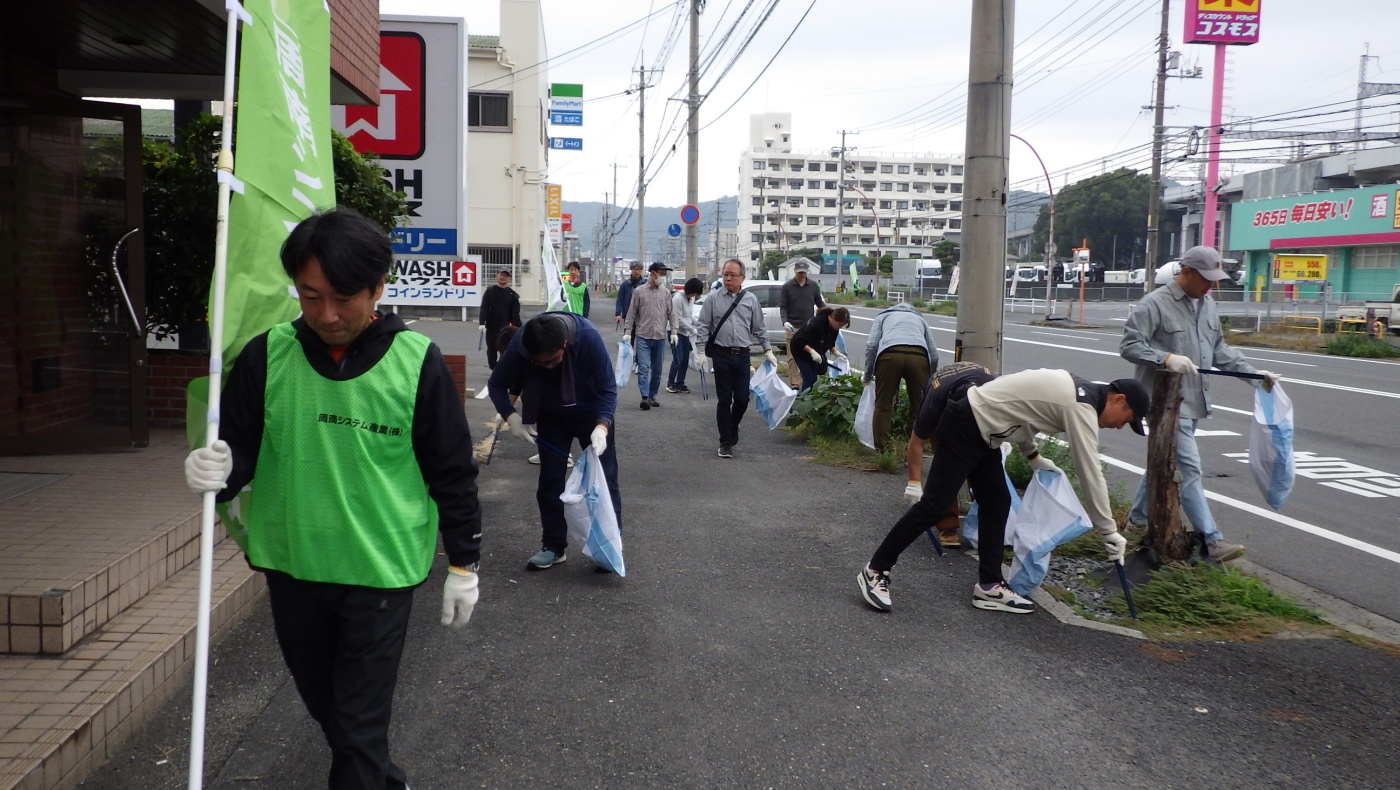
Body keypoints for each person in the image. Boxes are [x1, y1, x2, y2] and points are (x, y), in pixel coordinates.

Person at [182, 207, 481, 790]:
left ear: (378, 288)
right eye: (310, 296)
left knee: (357, 724)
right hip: (292, 562)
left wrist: (464, 563)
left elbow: (452, 471)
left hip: (380, 569)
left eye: (344, 297)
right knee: (331, 712)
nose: (327, 314)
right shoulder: (268, 355)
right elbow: (240, 447)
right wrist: (216, 467)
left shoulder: (416, 363)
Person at [858, 368, 1148, 615]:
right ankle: (875, 570)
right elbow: (1089, 471)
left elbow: (1022, 411)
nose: (1121, 426)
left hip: (985, 432)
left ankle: (989, 585)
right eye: (1126, 418)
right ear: (1118, 399)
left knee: (998, 501)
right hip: (966, 423)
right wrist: (1108, 530)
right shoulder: (1080, 405)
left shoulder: (1077, 389)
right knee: (934, 505)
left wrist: (1033, 456)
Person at [1120, 245, 1281, 562]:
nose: (1211, 285)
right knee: (1190, 469)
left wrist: (1255, 375)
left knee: (1163, 462)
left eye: (1215, 280)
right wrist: (1165, 358)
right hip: (1164, 405)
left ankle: (1136, 523)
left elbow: (1221, 351)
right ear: (1187, 272)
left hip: (1194, 402)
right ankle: (1212, 540)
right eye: (1206, 278)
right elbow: (1129, 345)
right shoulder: (1154, 304)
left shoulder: (1206, 306)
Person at [488, 311, 619, 570]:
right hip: (550, 414)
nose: (548, 367)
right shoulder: (521, 345)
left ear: (565, 345)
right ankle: (553, 546)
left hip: (590, 411)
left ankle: (609, 548)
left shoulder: (588, 338)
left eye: (553, 361)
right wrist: (510, 415)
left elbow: (608, 387)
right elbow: (496, 384)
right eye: (541, 363)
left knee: (604, 480)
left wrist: (602, 425)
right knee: (550, 481)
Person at [901, 361, 996, 547]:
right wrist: (913, 483)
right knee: (947, 468)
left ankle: (983, 521)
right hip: (945, 407)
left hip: (981, 415)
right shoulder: (935, 400)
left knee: (982, 461)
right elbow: (917, 442)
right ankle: (948, 525)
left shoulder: (991, 388)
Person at [694, 259, 777, 459]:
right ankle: (725, 442)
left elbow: (758, 327)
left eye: (732, 275)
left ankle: (733, 425)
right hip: (721, 354)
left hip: (742, 355)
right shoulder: (713, 298)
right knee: (724, 399)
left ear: (742, 277)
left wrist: (767, 350)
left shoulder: (750, 300)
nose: (728, 278)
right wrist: (700, 352)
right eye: (725, 275)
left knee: (742, 398)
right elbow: (704, 326)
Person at [863, 302, 940, 449]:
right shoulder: (920, 319)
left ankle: (883, 450)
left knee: (883, 404)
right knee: (919, 406)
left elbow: (872, 346)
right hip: (919, 357)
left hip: (889, 355)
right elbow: (934, 355)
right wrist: (929, 377)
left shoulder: (883, 317)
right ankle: (914, 448)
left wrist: (867, 375)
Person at [623, 262, 679, 410]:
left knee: (658, 370)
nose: (663, 277)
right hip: (643, 336)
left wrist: (674, 332)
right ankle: (644, 396)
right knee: (643, 367)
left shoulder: (666, 293)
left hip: (660, 337)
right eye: (661, 273)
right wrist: (628, 332)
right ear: (653, 273)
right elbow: (631, 313)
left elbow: (672, 313)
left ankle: (652, 394)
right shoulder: (639, 292)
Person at [780, 259, 826, 388]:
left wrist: (828, 314)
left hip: (808, 329)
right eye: (800, 272)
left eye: (804, 272)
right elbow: (783, 307)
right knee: (792, 357)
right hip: (792, 327)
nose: (802, 275)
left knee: (809, 355)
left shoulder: (813, 286)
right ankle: (795, 385)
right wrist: (785, 321)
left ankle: (809, 383)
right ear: (795, 271)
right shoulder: (787, 287)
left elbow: (819, 303)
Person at [789, 306, 851, 392]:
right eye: (840, 324)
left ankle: (810, 399)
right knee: (809, 378)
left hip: (815, 353)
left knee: (814, 379)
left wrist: (836, 352)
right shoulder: (816, 323)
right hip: (800, 351)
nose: (840, 327)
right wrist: (812, 351)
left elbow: (830, 342)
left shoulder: (834, 328)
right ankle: (802, 401)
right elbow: (799, 341)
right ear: (833, 318)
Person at [478, 267, 521, 370]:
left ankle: (501, 369)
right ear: (497, 276)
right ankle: (493, 367)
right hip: (492, 326)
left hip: (506, 328)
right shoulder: (490, 291)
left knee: (505, 349)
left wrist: (518, 327)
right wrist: (481, 323)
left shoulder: (512, 294)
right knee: (491, 349)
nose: (503, 278)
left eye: (506, 276)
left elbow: (515, 313)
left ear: (509, 279)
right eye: (501, 275)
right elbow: (484, 307)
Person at [667, 277, 703, 394]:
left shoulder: (690, 299)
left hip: (685, 333)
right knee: (678, 359)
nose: (696, 296)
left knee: (685, 359)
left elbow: (688, 316)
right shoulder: (677, 299)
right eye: (696, 293)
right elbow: (677, 318)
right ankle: (670, 383)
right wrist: (692, 329)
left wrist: (697, 324)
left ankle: (680, 383)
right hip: (675, 332)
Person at [614, 261, 644, 331]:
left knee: (642, 339)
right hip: (628, 315)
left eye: (639, 269)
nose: (637, 271)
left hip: (642, 316)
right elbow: (620, 300)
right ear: (631, 270)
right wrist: (618, 313)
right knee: (628, 337)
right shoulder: (625, 284)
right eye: (635, 269)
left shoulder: (645, 284)